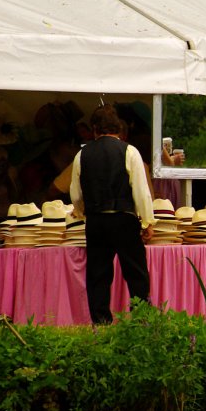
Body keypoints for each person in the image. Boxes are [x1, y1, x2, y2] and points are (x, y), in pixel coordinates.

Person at [70, 105, 155, 324]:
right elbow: (141, 190)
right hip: (124, 219)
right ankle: (141, 322)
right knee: (135, 273)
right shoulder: (129, 151)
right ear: (118, 128)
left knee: (98, 275)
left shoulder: (82, 155)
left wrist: (81, 213)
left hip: (97, 220)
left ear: (95, 129)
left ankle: (101, 324)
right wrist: (147, 222)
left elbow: (76, 194)